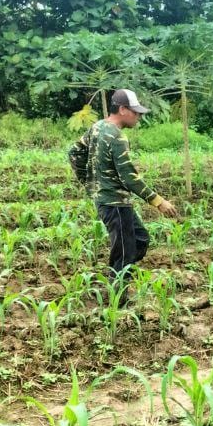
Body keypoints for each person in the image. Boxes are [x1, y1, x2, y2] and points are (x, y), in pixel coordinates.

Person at [68, 88, 177, 286]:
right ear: (123, 110)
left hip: (110, 200)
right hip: (115, 202)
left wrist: (90, 183)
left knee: (140, 239)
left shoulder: (97, 127)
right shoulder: (117, 137)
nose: (139, 117)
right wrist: (158, 202)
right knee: (125, 251)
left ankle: (119, 274)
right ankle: (117, 295)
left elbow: (74, 152)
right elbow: (129, 177)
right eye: (136, 112)